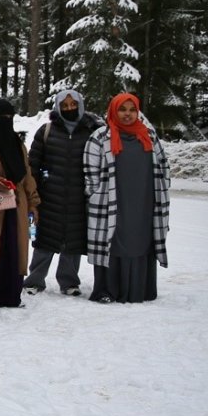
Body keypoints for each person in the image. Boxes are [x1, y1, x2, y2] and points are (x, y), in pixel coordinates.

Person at [83, 93, 170, 304]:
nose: (128, 114)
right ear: (113, 111)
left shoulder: (148, 135)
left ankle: (141, 289)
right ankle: (108, 289)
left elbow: (163, 164)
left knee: (140, 240)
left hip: (143, 201)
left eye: (132, 110)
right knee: (113, 241)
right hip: (111, 201)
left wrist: (162, 190)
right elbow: (90, 172)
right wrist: (95, 194)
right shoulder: (100, 137)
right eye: (123, 110)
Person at [24, 89, 102, 296]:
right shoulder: (46, 131)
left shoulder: (90, 131)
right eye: (65, 106)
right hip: (49, 196)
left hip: (78, 196)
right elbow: (33, 165)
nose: (69, 109)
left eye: (73, 105)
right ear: (58, 107)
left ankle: (69, 282)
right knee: (44, 239)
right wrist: (34, 195)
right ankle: (35, 280)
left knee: (73, 240)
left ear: (80, 105)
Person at [0, 99, 40, 308]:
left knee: (15, 248)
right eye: (1, 118)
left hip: (17, 205)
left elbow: (27, 175)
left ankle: (11, 294)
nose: (6, 122)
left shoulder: (17, 143)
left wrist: (33, 203)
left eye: (9, 117)